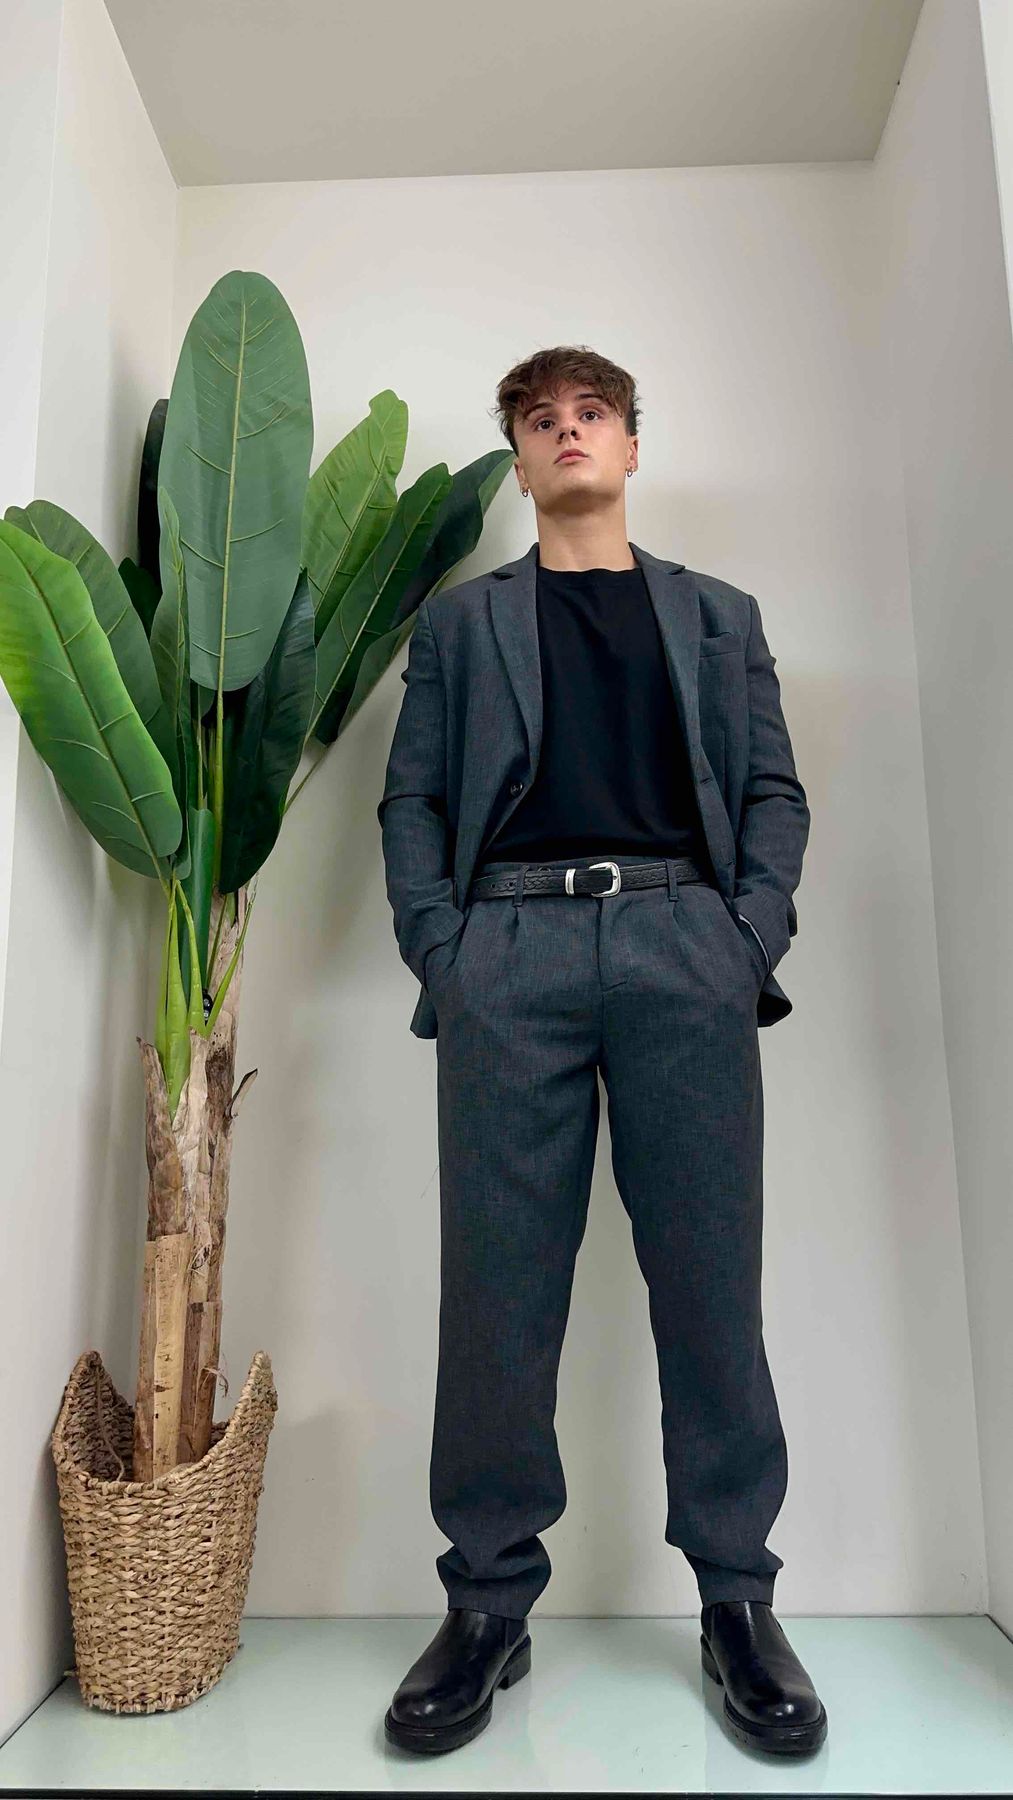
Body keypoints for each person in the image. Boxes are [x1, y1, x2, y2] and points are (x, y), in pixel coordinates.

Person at [377, 346, 825, 1759]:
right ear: (519, 462)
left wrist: (746, 937)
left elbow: (771, 789)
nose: (566, 432)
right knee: (497, 1292)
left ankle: (738, 1599)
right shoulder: (463, 626)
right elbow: (410, 801)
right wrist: (446, 955)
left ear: (631, 446)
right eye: (539, 420)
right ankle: (486, 1602)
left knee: (709, 1280)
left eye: (591, 415)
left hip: (686, 949)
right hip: (508, 955)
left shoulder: (717, 616)